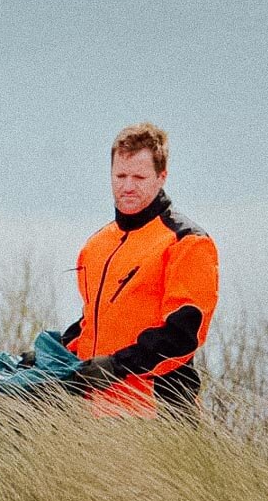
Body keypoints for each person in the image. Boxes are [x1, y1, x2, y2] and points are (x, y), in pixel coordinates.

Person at [63, 122, 219, 419]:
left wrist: (116, 365)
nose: (128, 186)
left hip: (159, 414)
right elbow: (93, 323)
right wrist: (55, 352)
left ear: (162, 177)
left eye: (139, 176)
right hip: (95, 416)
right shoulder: (96, 245)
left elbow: (182, 336)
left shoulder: (187, 242)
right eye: (120, 176)